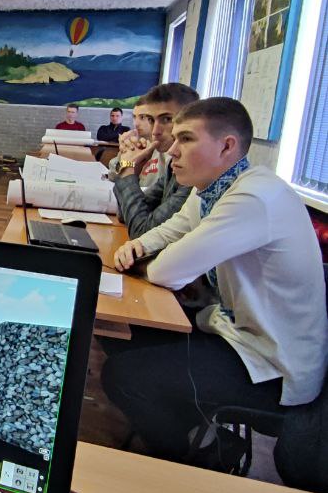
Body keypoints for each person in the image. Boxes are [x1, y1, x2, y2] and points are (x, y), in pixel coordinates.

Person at [102, 98, 328, 465]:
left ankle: (206, 455)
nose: (172, 151)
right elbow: (175, 227)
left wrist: (142, 264)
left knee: (122, 376)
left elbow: (166, 272)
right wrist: (138, 246)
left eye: (186, 139)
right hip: (233, 331)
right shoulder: (214, 186)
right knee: (122, 332)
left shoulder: (254, 198)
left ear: (227, 146)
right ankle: (194, 426)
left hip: (271, 364)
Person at [112, 82, 198, 238]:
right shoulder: (173, 166)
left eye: (166, 119)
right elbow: (125, 215)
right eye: (151, 120)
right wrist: (134, 169)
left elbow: (142, 232)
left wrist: (127, 170)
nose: (155, 132)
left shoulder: (195, 173)